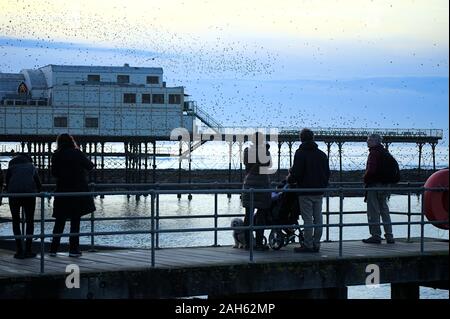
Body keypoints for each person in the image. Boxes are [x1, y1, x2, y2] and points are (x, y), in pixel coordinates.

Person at [50, 134, 96, 257]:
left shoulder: (56, 155)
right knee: (75, 221)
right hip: (77, 191)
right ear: (72, 141)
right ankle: (73, 249)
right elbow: (90, 166)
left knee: (59, 221)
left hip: (62, 191)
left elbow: (54, 173)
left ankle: (53, 250)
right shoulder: (77, 153)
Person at [287, 128, 330, 253]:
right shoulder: (322, 154)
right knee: (318, 218)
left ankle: (308, 245)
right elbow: (327, 173)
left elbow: (296, 172)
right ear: (313, 138)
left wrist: (290, 179)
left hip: (305, 191)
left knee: (307, 219)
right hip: (319, 191)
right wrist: (323, 185)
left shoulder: (300, 153)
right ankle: (316, 244)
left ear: (301, 138)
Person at [5, 153, 42, 258]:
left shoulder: (11, 165)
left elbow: (7, 182)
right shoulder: (31, 166)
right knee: (29, 221)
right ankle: (29, 250)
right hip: (29, 194)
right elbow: (38, 183)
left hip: (14, 195)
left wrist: (8, 190)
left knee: (16, 221)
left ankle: (19, 250)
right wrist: (39, 191)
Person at [241, 132, 272, 250]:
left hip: (249, 186)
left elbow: (246, 164)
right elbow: (267, 164)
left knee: (248, 215)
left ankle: (248, 244)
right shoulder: (265, 151)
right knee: (261, 216)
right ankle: (259, 243)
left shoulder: (247, 151)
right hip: (263, 186)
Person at [362, 134, 395, 244]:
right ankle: (389, 235)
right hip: (385, 185)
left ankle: (376, 235)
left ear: (375, 141)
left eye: (369, 140)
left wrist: (365, 178)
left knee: (373, 210)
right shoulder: (385, 152)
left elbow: (371, 170)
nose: (367, 141)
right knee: (384, 210)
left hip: (374, 185)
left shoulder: (373, 153)